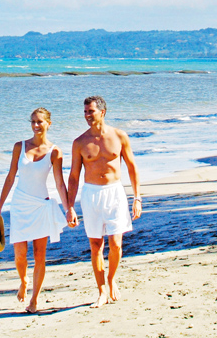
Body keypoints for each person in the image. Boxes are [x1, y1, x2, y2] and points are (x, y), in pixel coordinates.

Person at [0, 108, 76, 313]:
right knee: (20, 255)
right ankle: (23, 280)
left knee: (40, 255)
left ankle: (34, 300)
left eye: (40, 122)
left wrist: (69, 209)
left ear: (49, 124)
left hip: (41, 206)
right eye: (33, 122)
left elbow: (59, 183)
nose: (36, 125)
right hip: (20, 205)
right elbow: (11, 177)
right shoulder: (19, 147)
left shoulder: (55, 151)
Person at [67, 95, 141, 308]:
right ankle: (101, 291)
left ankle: (111, 278)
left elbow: (132, 167)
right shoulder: (80, 142)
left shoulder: (119, 136)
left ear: (103, 112)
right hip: (91, 195)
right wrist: (70, 206)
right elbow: (73, 176)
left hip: (114, 193)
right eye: (85, 112)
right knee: (95, 245)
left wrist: (137, 198)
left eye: (91, 111)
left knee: (116, 244)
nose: (87, 116)